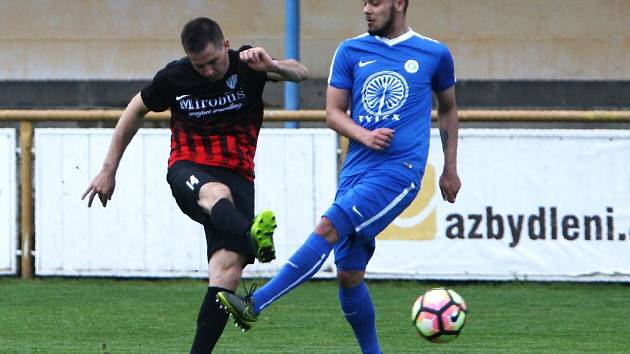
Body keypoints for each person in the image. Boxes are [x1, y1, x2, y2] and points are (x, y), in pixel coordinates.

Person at [217, 0, 460, 353]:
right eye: (364, 2)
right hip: (356, 171)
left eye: (375, 2)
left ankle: (255, 303)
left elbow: (449, 110)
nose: (366, 8)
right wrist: (364, 135)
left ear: (399, 4)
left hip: (399, 172)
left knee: (327, 227)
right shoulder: (350, 50)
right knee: (348, 274)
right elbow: (333, 113)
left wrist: (450, 168)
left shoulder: (434, 53)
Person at [82, 17, 308, 353]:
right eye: (199, 65)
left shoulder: (249, 64)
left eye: (214, 62)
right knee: (217, 194)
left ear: (226, 45)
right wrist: (107, 170)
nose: (207, 71)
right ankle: (250, 234)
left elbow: (300, 73)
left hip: (240, 173)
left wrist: (272, 64)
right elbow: (135, 110)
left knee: (227, 275)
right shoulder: (175, 76)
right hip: (189, 168)